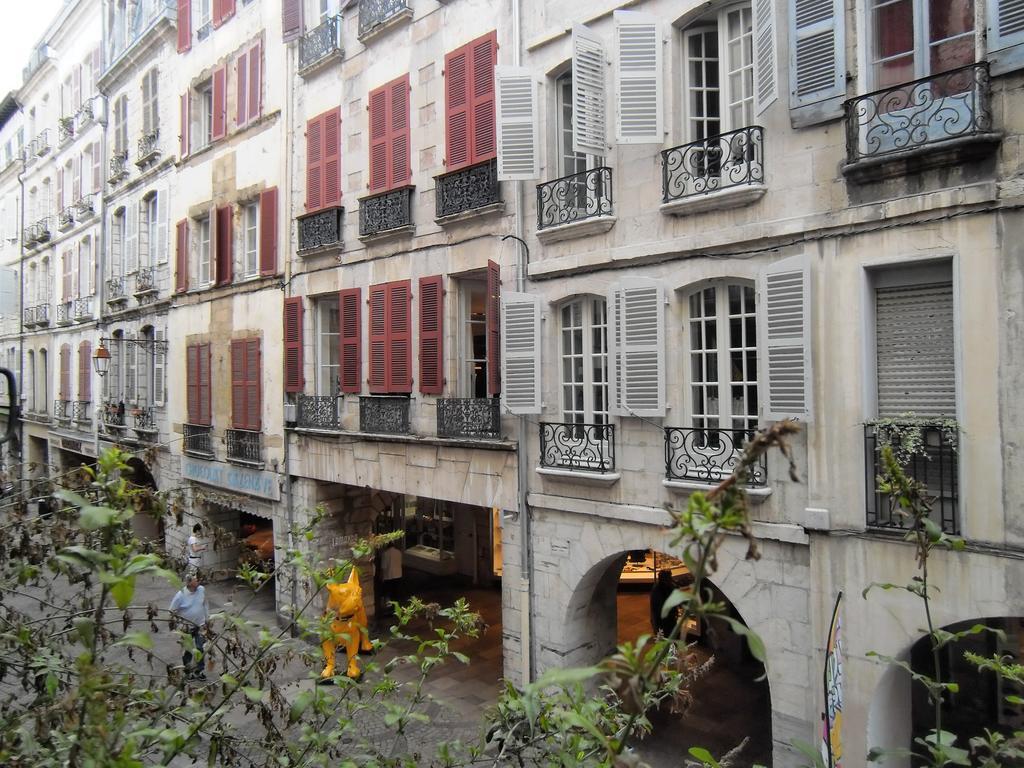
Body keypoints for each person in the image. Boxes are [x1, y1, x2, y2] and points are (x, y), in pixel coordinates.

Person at [169, 571, 209, 680]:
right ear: (189, 582)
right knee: (188, 650)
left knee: (201, 648)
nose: (199, 581)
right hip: (187, 628)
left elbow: (205, 604)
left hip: (200, 625)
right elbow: (171, 611)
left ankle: (199, 671)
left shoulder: (201, 590)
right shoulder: (180, 595)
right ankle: (188, 672)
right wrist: (179, 623)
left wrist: (207, 619)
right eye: (196, 580)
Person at [649, 570, 677, 638]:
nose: (670, 579)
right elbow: (656, 609)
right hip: (662, 620)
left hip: (670, 618)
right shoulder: (657, 590)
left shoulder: (670, 587)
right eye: (669, 578)